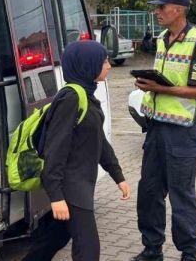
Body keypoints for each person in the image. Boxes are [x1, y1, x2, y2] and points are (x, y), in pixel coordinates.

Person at [22, 41, 131, 261]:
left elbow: (99, 141)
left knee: (55, 238)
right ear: (87, 65)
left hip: (81, 182)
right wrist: (56, 196)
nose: (109, 65)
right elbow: (55, 149)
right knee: (88, 250)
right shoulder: (71, 98)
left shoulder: (86, 94)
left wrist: (117, 175)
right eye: (104, 61)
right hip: (71, 186)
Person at [132, 0, 196, 261]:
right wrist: (147, 84)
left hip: (182, 130)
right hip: (156, 126)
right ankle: (152, 248)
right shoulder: (163, 38)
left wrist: (160, 88)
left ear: (177, 9)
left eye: (161, 7)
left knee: (181, 195)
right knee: (149, 191)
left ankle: (189, 253)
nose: (157, 11)